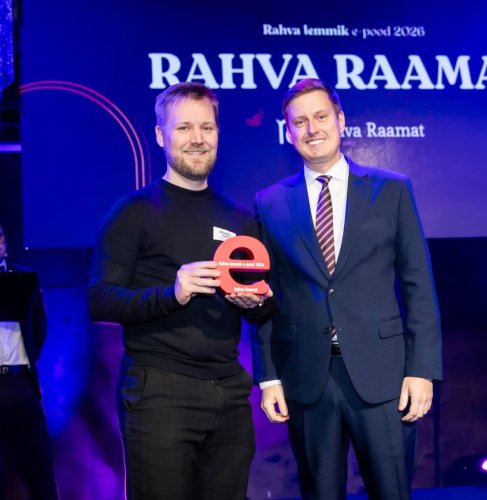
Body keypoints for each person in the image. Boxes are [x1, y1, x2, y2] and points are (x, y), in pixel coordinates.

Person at [252, 78, 442, 499]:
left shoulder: (392, 189)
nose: (312, 129)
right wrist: (268, 377)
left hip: (384, 378)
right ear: (288, 132)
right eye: (299, 121)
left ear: (340, 120)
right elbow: (266, 296)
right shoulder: (269, 203)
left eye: (321, 116)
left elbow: (419, 285)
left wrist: (422, 370)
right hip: (306, 379)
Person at [88, 82, 273, 500]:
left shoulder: (240, 218)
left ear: (218, 133)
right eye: (184, 127)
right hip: (159, 392)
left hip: (229, 393)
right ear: (160, 135)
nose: (197, 138)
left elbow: (263, 306)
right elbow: (100, 300)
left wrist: (259, 303)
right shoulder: (133, 212)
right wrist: (172, 293)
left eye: (206, 128)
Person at [0, 223, 59, 499]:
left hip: (20, 383)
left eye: (0, 236)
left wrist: (28, 363)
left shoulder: (23, 277)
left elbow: (39, 324)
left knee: (40, 467)